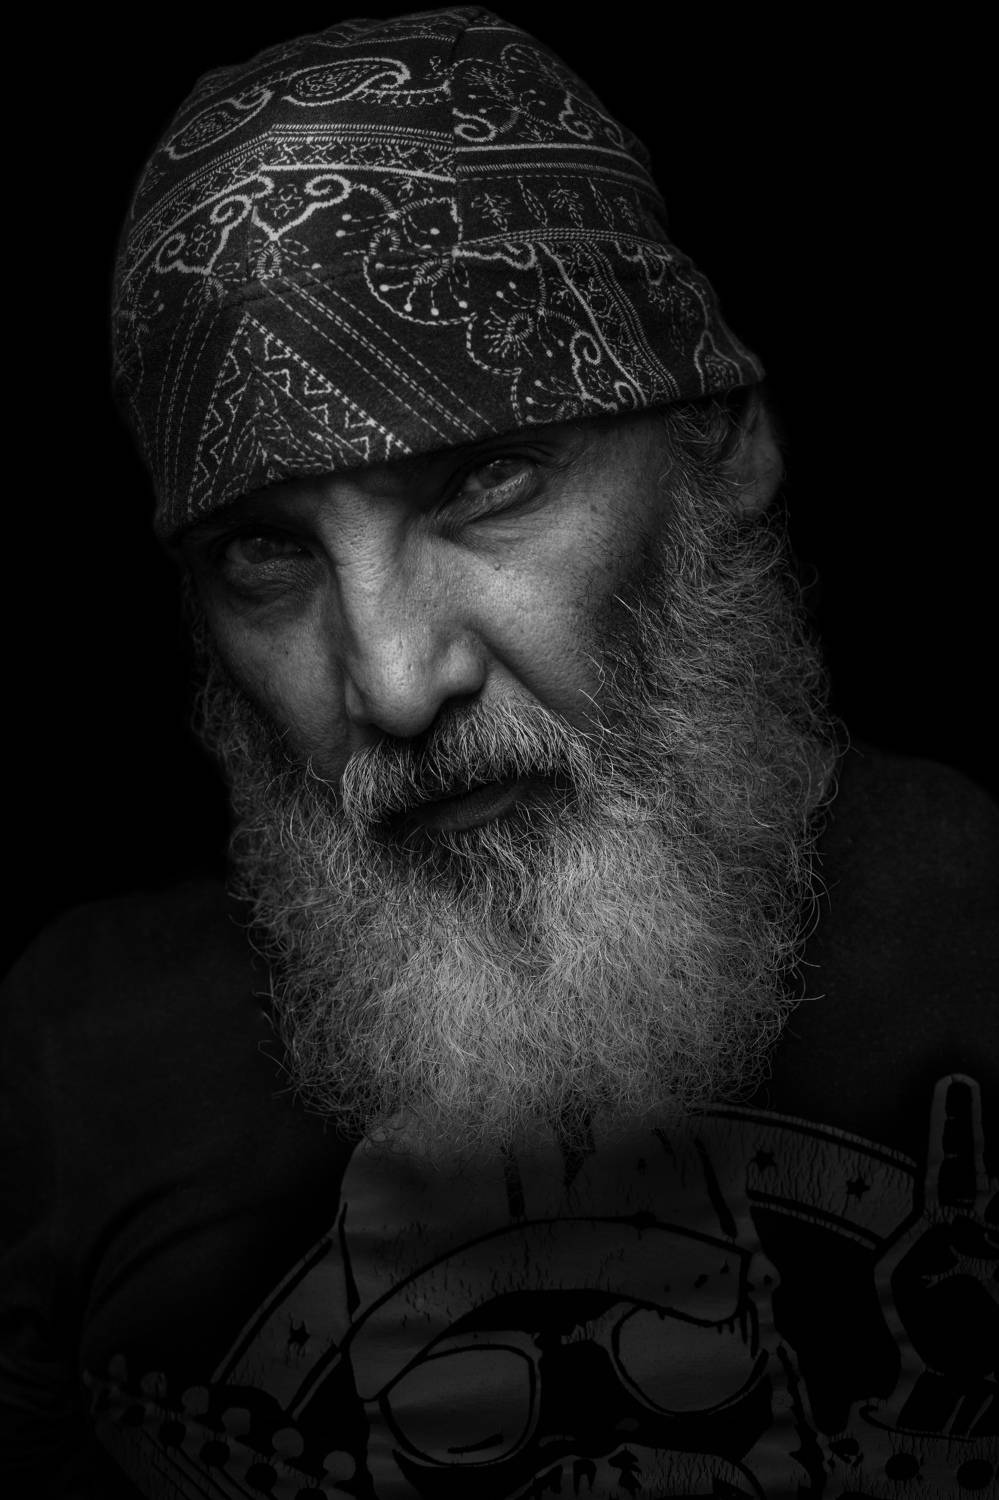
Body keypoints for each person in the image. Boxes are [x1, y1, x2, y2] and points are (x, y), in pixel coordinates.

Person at [2, 8, 996, 1497]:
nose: (396, 682)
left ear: (722, 443)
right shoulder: (75, 1067)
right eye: (265, 552)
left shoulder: (983, 927)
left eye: (489, 481)